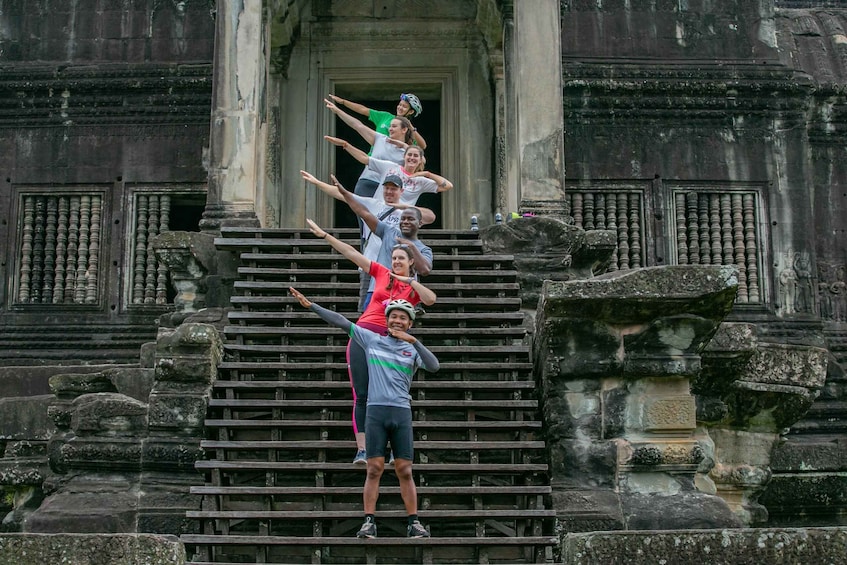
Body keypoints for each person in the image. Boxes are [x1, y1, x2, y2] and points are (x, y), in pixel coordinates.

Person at [289, 288, 438, 539]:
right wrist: (311, 305)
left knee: (405, 470)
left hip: (401, 412)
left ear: (410, 323)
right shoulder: (371, 340)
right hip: (376, 412)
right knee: (374, 468)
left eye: (403, 318)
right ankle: (369, 522)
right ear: (387, 319)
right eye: (393, 316)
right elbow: (341, 322)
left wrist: (414, 341)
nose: (397, 321)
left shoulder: (412, 350)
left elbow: (434, 366)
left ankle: (414, 522)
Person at [305, 218, 436, 465]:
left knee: (393, 393)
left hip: (392, 340)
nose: (396, 262)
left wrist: (410, 281)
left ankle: (394, 447)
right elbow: (351, 253)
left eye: (401, 259)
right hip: (364, 334)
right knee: (362, 393)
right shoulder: (381, 272)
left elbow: (430, 300)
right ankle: (363, 449)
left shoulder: (413, 288)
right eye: (393, 258)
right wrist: (325, 236)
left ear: (410, 262)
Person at [300, 170, 435, 311]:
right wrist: (338, 190)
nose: (405, 221)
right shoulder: (389, 230)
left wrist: (404, 210)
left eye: (410, 219)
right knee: (367, 314)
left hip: (403, 289)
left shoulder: (420, 242)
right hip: (375, 274)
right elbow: (363, 212)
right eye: (403, 219)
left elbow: (425, 268)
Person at [325, 136, 453, 207]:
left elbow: (447, 185)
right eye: (409, 155)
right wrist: (345, 144)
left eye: (415, 156)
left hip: (400, 222)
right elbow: (364, 158)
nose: (412, 158)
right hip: (378, 214)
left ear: (420, 161)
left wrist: (427, 174)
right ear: (404, 157)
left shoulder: (421, 181)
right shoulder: (390, 167)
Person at [325, 98, 413, 199]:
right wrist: (337, 110)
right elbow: (357, 125)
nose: (390, 129)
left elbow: (420, 163)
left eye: (393, 126)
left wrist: (405, 147)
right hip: (367, 181)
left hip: (388, 189)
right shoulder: (381, 139)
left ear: (404, 129)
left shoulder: (407, 152)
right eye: (390, 126)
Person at [327, 92, 427, 150]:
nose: (400, 107)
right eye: (400, 104)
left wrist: (410, 126)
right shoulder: (385, 116)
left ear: (411, 111)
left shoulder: (408, 129)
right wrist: (343, 102)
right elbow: (363, 110)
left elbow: (422, 146)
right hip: (374, 158)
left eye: (404, 107)